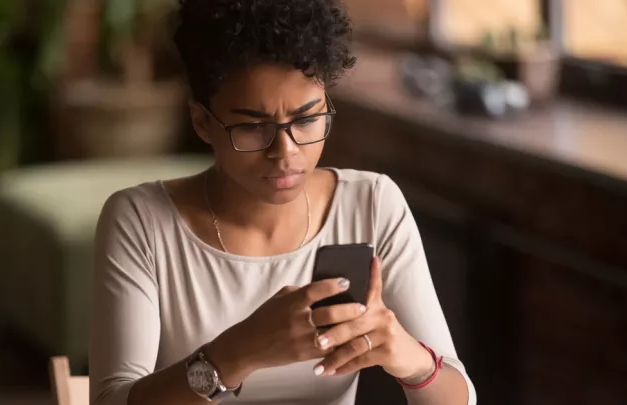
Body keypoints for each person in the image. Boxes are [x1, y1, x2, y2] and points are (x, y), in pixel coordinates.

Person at [89, 0, 476, 404]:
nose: (285, 152)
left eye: (307, 119)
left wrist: (407, 357)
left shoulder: (371, 206)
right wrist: (237, 353)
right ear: (202, 122)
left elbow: (460, 396)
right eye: (254, 127)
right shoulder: (141, 221)